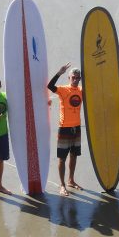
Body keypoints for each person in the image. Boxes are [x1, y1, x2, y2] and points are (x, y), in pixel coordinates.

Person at [47, 63, 83, 196]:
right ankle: (62, 185)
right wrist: (59, 73)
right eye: (73, 77)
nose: (75, 79)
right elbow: (50, 86)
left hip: (76, 127)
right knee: (62, 158)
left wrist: (118, 88)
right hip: (64, 128)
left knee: (74, 155)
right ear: (69, 77)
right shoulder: (63, 89)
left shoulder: (81, 90)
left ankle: (71, 180)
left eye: (78, 78)